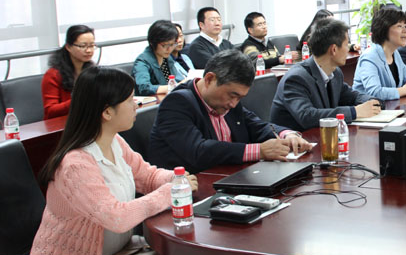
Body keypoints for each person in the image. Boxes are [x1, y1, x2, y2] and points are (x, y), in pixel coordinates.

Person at [28, 66, 203, 255]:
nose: (136, 105)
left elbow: (146, 176)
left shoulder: (114, 141)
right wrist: (169, 193)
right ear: (107, 112)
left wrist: (175, 179)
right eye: (130, 100)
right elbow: (116, 217)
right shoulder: (76, 165)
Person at [148, 49, 312, 173]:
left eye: (239, 98)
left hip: (228, 178)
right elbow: (198, 151)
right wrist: (259, 151)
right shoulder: (177, 103)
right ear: (209, 79)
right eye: (232, 95)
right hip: (188, 191)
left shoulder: (228, 102)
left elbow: (256, 125)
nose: (234, 104)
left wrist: (287, 135)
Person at [270, 19, 380, 131]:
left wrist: (373, 101)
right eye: (346, 45)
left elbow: (351, 96)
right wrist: (354, 112)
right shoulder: (296, 78)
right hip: (296, 139)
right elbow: (307, 116)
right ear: (334, 49)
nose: (348, 50)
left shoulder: (335, 73)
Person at [352, 7, 406, 101]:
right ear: (384, 29)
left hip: (391, 107)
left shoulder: (395, 54)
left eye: (405, 26)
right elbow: (375, 92)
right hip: (368, 108)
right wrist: (404, 90)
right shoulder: (369, 57)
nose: (405, 31)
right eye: (399, 26)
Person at [41, 24, 95, 119]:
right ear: (68, 47)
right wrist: (79, 100)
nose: (89, 50)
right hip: (64, 124)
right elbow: (50, 111)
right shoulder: (53, 75)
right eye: (83, 46)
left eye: (92, 45)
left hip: (86, 120)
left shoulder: (92, 71)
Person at [131, 20, 181, 95]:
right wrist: (173, 87)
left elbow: (176, 79)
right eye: (165, 45)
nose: (169, 49)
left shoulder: (167, 58)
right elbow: (144, 88)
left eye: (172, 44)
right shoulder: (142, 61)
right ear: (152, 42)